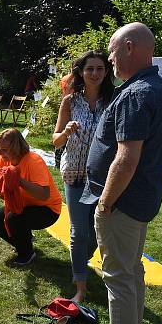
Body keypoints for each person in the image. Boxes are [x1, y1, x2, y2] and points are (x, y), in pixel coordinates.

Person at [69, 22, 162, 324]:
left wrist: (105, 202)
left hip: (122, 203)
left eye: (112, 52)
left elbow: (127, 157)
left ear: (129, 47)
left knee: (118, 276)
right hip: (139, 199)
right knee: (132, 273)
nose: (110, 59)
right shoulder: (155, 86)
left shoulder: (135, 94)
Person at [52, 51, 115, 302]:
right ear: (80, 72)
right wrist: (66, 132)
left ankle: (81, 262)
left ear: (106, 72)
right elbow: (55, 141)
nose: (95, 74)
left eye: (100, 69)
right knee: (79, 232)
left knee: (97, 230)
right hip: (75, 173)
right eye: (90, 69)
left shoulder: (113, 100)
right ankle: (80, 286)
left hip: (102, 175)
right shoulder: (70, 102)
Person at [0, 128, 61, 265]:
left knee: (12, 219)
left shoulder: (33, 160)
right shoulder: (2, 159)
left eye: (3, 149)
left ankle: (26, 254)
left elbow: (44, 195)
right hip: (23, 206)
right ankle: (25, 242)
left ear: (16, 148)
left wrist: (19, 181)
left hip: (48, 210)